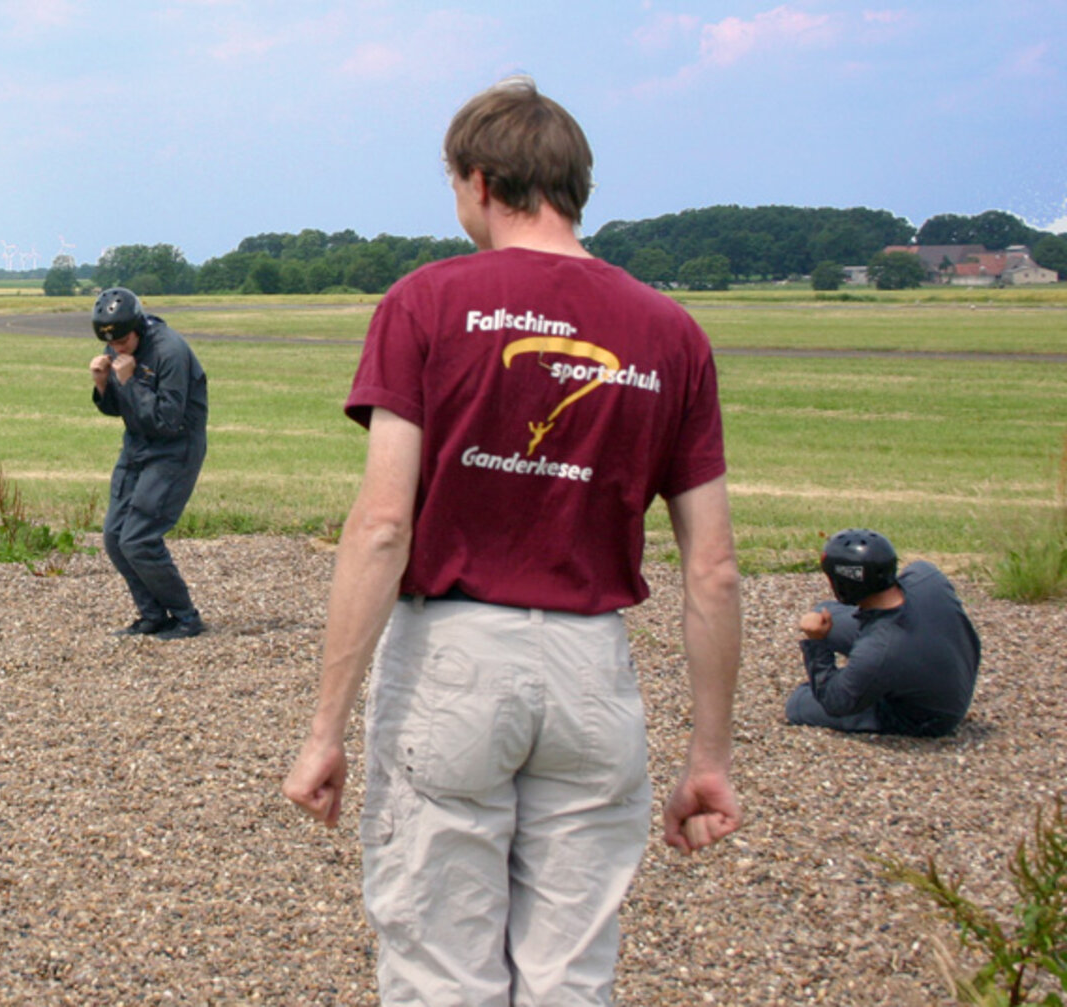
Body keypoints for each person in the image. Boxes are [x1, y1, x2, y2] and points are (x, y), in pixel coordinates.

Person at [280, 76, 742, 1005]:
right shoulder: (671, 333)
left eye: (454, 185)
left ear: (482, 181)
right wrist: (710, 755)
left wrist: (324, 727)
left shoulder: (425, 304)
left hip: (454, 657)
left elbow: (380, 526)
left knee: (440, 967)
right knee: (572, 972)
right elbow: (715, 569)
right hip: (591, 669)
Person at [88, 286, 210, 640]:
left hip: (174, 451)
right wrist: (102, 386)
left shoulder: (170, 352)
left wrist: (129, 381)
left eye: (122, 340)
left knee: (139, 538)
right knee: (114, 537)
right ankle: (153, 615)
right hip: (137, 448)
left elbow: (168, 421)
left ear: (137, 326)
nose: (116, 348)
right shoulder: (119, 347)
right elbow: (118, 408)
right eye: (109, 342)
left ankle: (186, 617)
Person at [787, 528, 980, 736]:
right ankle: (873, 680)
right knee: (823, 614)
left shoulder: (880, 650)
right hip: (948, 672)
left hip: (930, 716)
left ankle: (873, 687)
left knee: (799, 703)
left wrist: (817, 644)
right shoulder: (925, 575)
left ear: (843, 584)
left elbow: (836, 702)